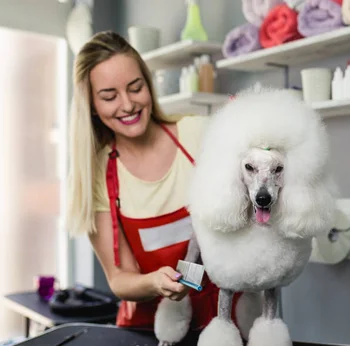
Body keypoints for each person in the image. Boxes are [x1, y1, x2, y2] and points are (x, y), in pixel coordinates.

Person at [65, 31, 238, 330]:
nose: (128, 104)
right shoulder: (96, 175)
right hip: (147, 330)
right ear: (91, 105)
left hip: (223, 318)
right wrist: (154, 282)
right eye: (109, 96)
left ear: (148, 85)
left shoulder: (198, 134)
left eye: (136, 88)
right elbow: (120, 277)